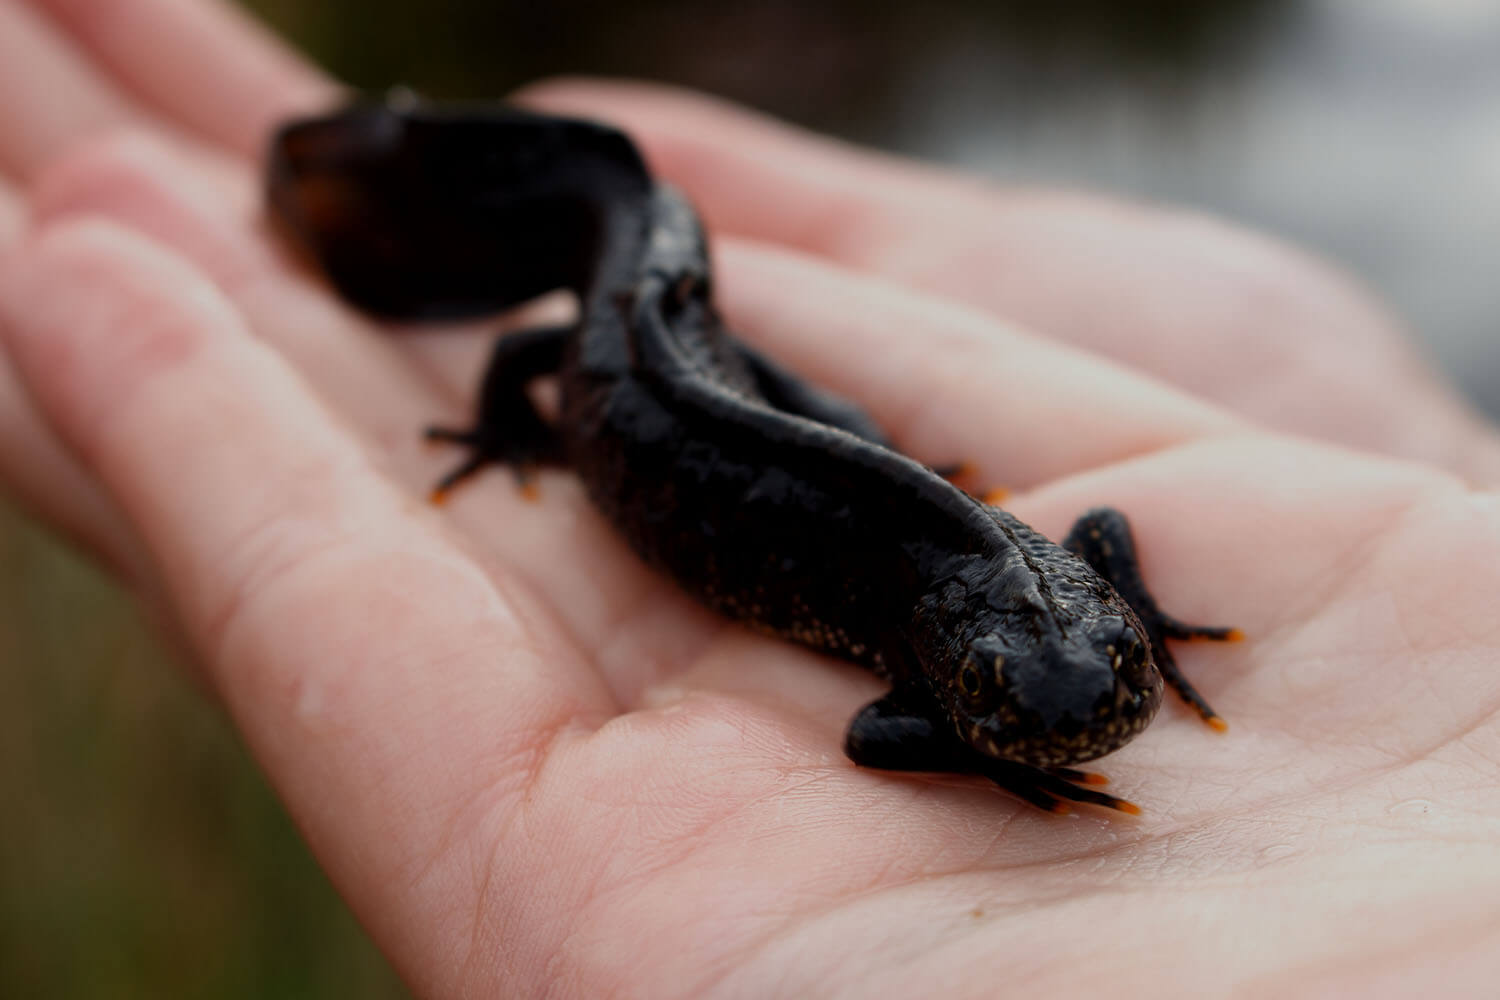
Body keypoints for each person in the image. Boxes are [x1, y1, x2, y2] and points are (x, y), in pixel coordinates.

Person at [1, 0, 1497, 995]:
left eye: (1109, 674)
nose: (1075, 715)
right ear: (966, 673)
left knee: (781, 395)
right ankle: (404, 213)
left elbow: (1085, 554)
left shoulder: (1037, 617)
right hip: (633, 362)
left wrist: (1138, 629)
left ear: (1105, 621)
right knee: (587, 336)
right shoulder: (942, 676)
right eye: (1024, 711)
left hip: (713, 364)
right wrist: (510, 429)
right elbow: (873, 725)